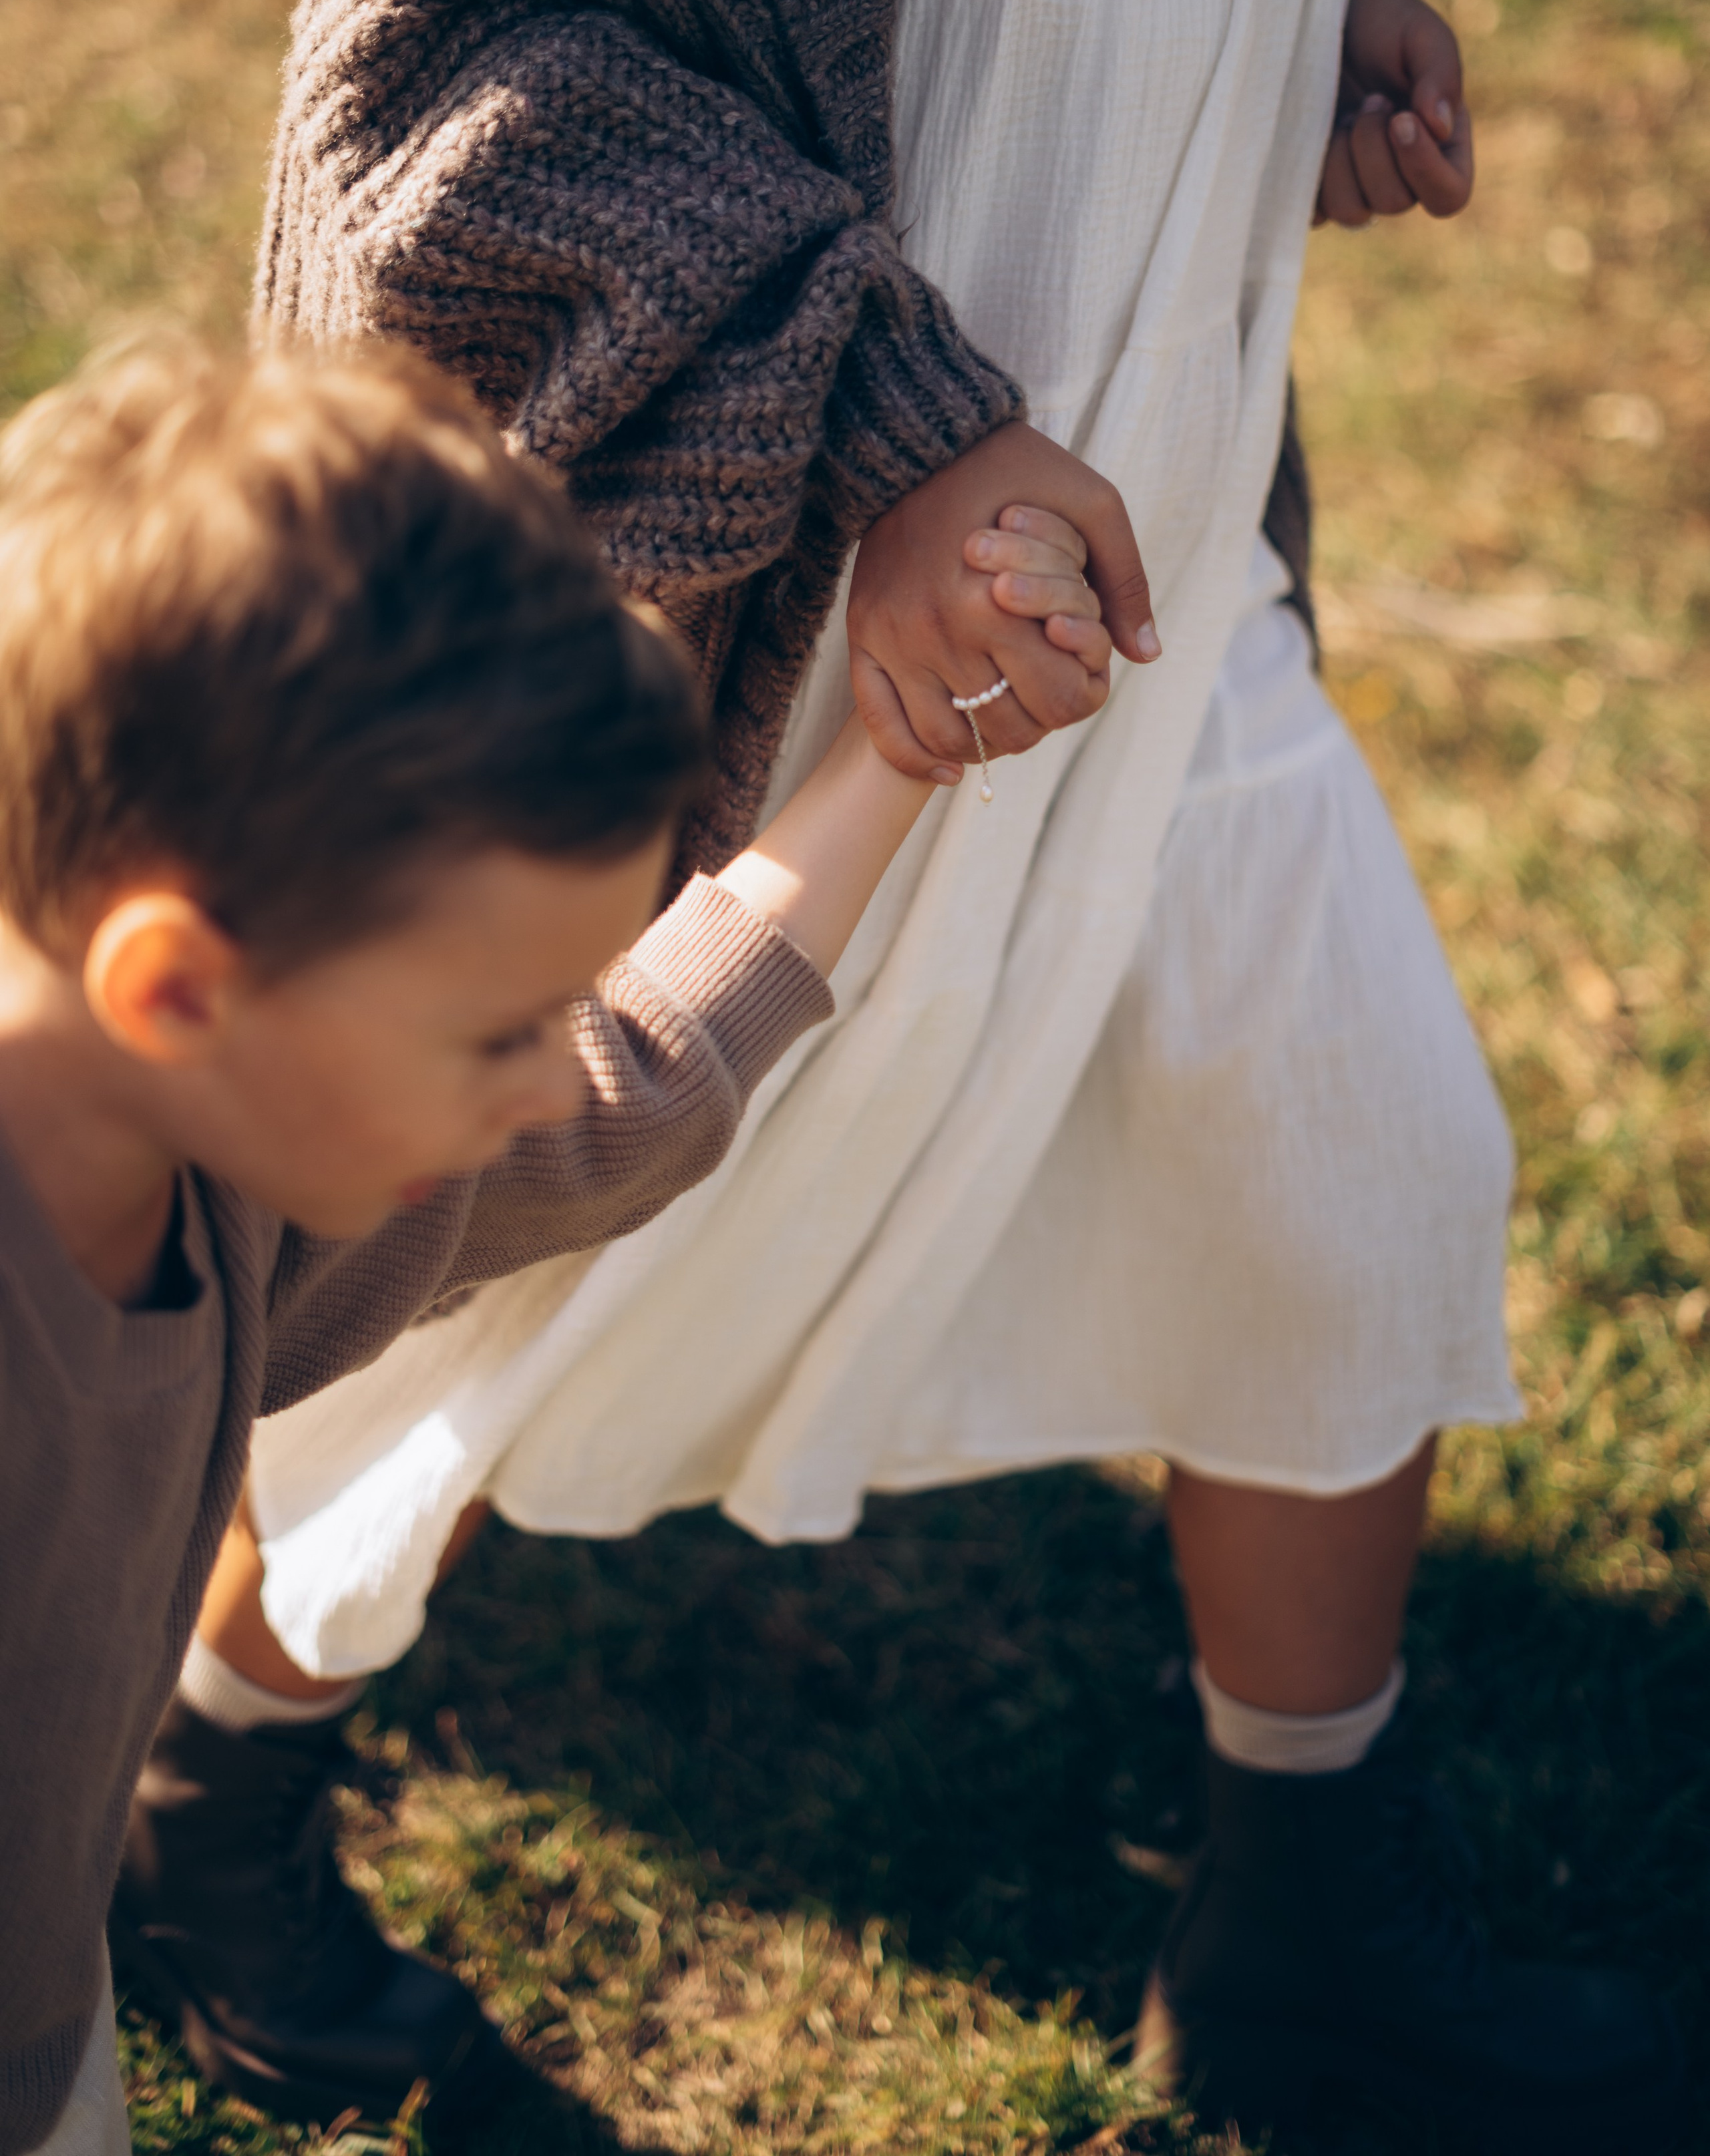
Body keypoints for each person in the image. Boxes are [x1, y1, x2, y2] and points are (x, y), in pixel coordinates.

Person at [141, 0, 1681, 2145]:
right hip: (864, 627)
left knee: (1349, 1160)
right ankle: (200, 1800)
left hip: (1169, 616)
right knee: (537, 1264)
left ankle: (1305, 1918)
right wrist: (881, 415)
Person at [0, 337, 1101, 2156]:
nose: (535, 1085)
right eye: (489, 1030)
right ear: (181, 986)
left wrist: (897, 753)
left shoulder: (211, 1156)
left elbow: (615, 1093)